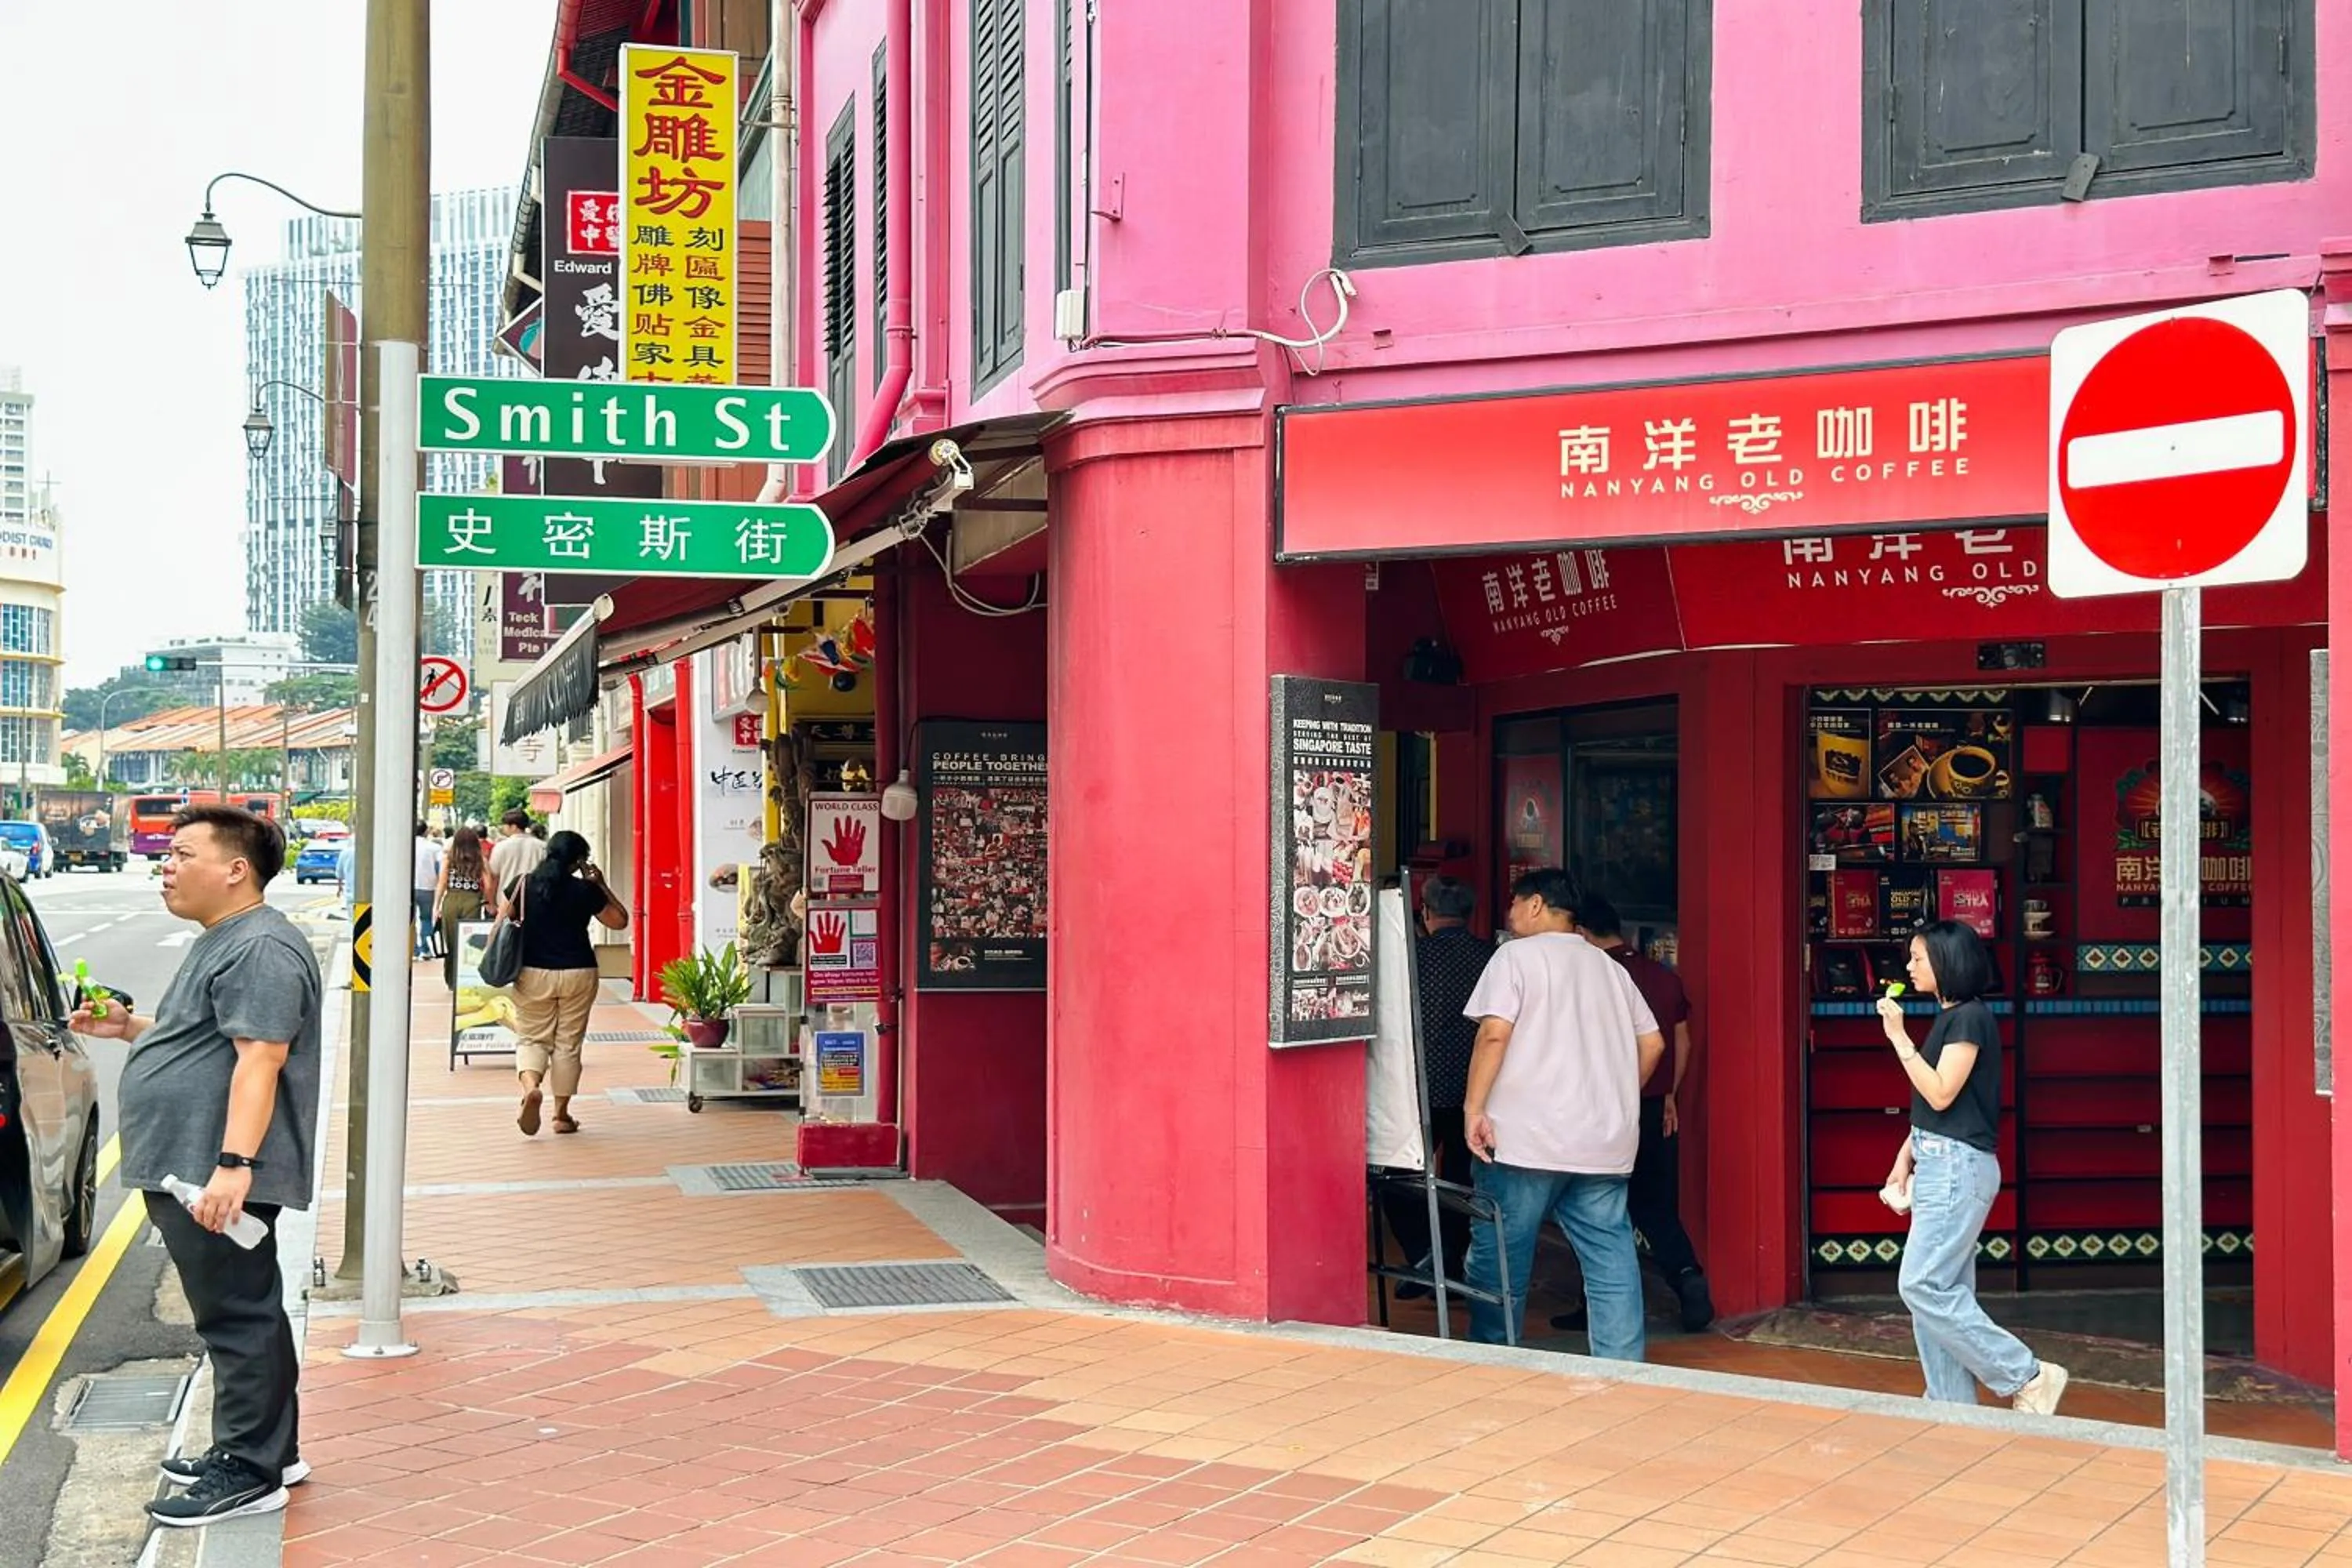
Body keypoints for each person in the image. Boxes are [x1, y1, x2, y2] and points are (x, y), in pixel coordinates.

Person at [91, 805, 322, 1526]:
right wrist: (128, 1029)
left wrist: (233, 1165)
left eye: (181, 852)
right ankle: (268, 1451)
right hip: (194, 1164)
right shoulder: (228, 939)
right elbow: (210, 1042)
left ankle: (250, 1469)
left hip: (211, 1170)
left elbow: (262, 1058)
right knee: (243, 1307)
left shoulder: (259, 949)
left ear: (235, 869)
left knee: (235, 1313)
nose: (166, 863)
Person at [1461, 866, 1664, 1359]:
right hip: (1604, 1142)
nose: (1509, 914)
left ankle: (1493, 1357)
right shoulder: (1610, 968)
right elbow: (1653, 1042)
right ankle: (1623, 1366)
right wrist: (1614, 1095)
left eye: (1513, 903)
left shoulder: (1516, 956)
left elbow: (1493, 1033)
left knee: (1501, 1255)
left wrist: (1473, 1107)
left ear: (1534, 905)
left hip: (1527, 1138)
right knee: (1610, 1259)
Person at [1878, 920, 2068, 1414]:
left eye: (1918, 958)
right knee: (1937, 1295)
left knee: (1920, 1285)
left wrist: (1899, 1039)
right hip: (1943, 1161)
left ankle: (2025, 1374)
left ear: (1946, 963)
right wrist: (1906, 1156)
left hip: (1956, 1168)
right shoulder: (1954, 1017)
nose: (1910, 966)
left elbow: (1940, 1090)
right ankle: (1950, 1409)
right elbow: (1941, 1106)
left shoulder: (1969, 1019)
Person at [1551, 894, 1715, 1334]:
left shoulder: (1595, 979)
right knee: (1657, 1208)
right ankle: (1688, 1279)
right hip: (1656, 1107)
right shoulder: (1662, 976)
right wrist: (1670, 1095)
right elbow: (1682, 1043)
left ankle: (1595, 1306)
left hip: (1602, 1108)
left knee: (1591, 1208)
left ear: (1582, 933)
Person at [1384, 875, 1487, 1300]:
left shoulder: (1412, 957)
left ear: (1425, 912)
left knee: (1396, 1172)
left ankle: (1424, 1252)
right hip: (1475, 1090)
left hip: (1417, 1088)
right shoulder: (1491, 957)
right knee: (1463, 1182)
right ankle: (1456, 1265)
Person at [503, 829, 627, 1136]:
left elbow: (509, 918)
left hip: (533, 972)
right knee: (568, 1045)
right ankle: (561, 1115)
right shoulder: (585, 891)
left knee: (532, 1039)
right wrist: (600, 884)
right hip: (578, 972)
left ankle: (531, 1088)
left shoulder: (523, 884)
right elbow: (619, 920)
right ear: (578, 861)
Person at [434, 826, 489, 991]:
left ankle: (451, 980)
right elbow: (489, 883)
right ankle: (467, 977)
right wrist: (489, 901)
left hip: (451, 900)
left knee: (451, 941)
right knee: (469, 942)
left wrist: (436, 906)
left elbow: (442, 884)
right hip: (472, 900)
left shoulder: (449, 859)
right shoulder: (480, 860)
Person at [487, 807, 546, 894]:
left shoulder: (500, 847)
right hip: (535, 897)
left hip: (507, 900)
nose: (503, 828)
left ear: (514, 827)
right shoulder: (542, 846)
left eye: (505, 825)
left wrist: (491, 902)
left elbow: (494, 876)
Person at [410, 822, 441, 960]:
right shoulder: (434, 848)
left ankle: (413, 950)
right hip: (428, 888)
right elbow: (440, 869)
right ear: (426, 832)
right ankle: (426, 949)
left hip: (408, 889)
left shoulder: (405, 845)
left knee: (409, 920)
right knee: (426, 919)